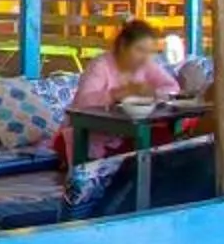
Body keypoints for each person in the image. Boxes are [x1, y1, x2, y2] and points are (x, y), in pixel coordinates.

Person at [62, 18, 183, 159]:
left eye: (149, 52)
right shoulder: (101, 66)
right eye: (140, 50)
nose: (145, 57)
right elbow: (83, 102)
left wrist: (153, 92)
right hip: (92, 137)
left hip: (127, 132)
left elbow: (172, 87)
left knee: (165, 141)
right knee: (149, 149)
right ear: (123, 46)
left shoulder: (145, 65)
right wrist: (116, 94)